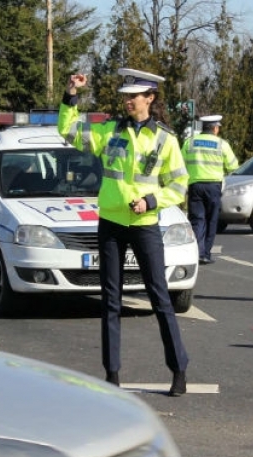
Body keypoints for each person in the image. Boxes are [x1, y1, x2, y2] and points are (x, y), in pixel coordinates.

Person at [57, 68, 191, 396]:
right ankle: (112, 374)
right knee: (111, 301)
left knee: (160, 298)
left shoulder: (165, 138)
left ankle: (178, 370)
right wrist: (71, 95)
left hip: (145, 226)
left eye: (134, 96)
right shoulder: (111, 131)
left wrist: (151, 200)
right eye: (126, 96)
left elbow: (179, 185)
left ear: (150, 98)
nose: (128, 101)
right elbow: (69, 131)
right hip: (112, 224)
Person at [182, 115, 238, 264]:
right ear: (215, 128)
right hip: (213, 186)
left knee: (197, 220)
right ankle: (206, 254)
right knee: (212, 220)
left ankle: (196, 253)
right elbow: (233, 165)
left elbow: (180, 163)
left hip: (195, 185)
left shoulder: (189, 143)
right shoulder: (222, 144)